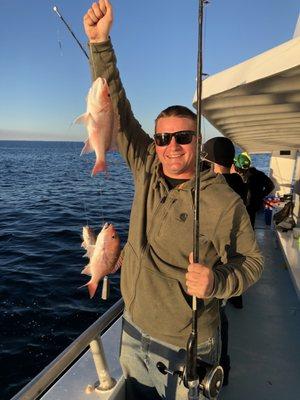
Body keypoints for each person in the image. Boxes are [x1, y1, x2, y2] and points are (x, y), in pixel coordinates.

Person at [83, 1, 263, 399]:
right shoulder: (146, 165)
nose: (171, 147)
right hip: (133, 327)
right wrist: (100, 43)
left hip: (186, 343)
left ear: (196, 142)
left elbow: (253, 263)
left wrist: (217, 281)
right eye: (163, 138)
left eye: (183, 137)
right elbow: (115, 109)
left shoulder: (220, 201)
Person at [202, 137, 248, 385]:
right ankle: (223, 366)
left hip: (218, 265)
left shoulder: (220, 187)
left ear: (211, 161)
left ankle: (220, 368)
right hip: (232, 257)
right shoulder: (238, 182)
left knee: (218, 318)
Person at [234, 152, 275, 228]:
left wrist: (260, 195)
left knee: (248, 226)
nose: (238, 171)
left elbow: (271, 186)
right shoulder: (238, 177)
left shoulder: (258, 175)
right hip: (243, 206)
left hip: (250, 207)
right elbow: (271, 186)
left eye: (238, 169)